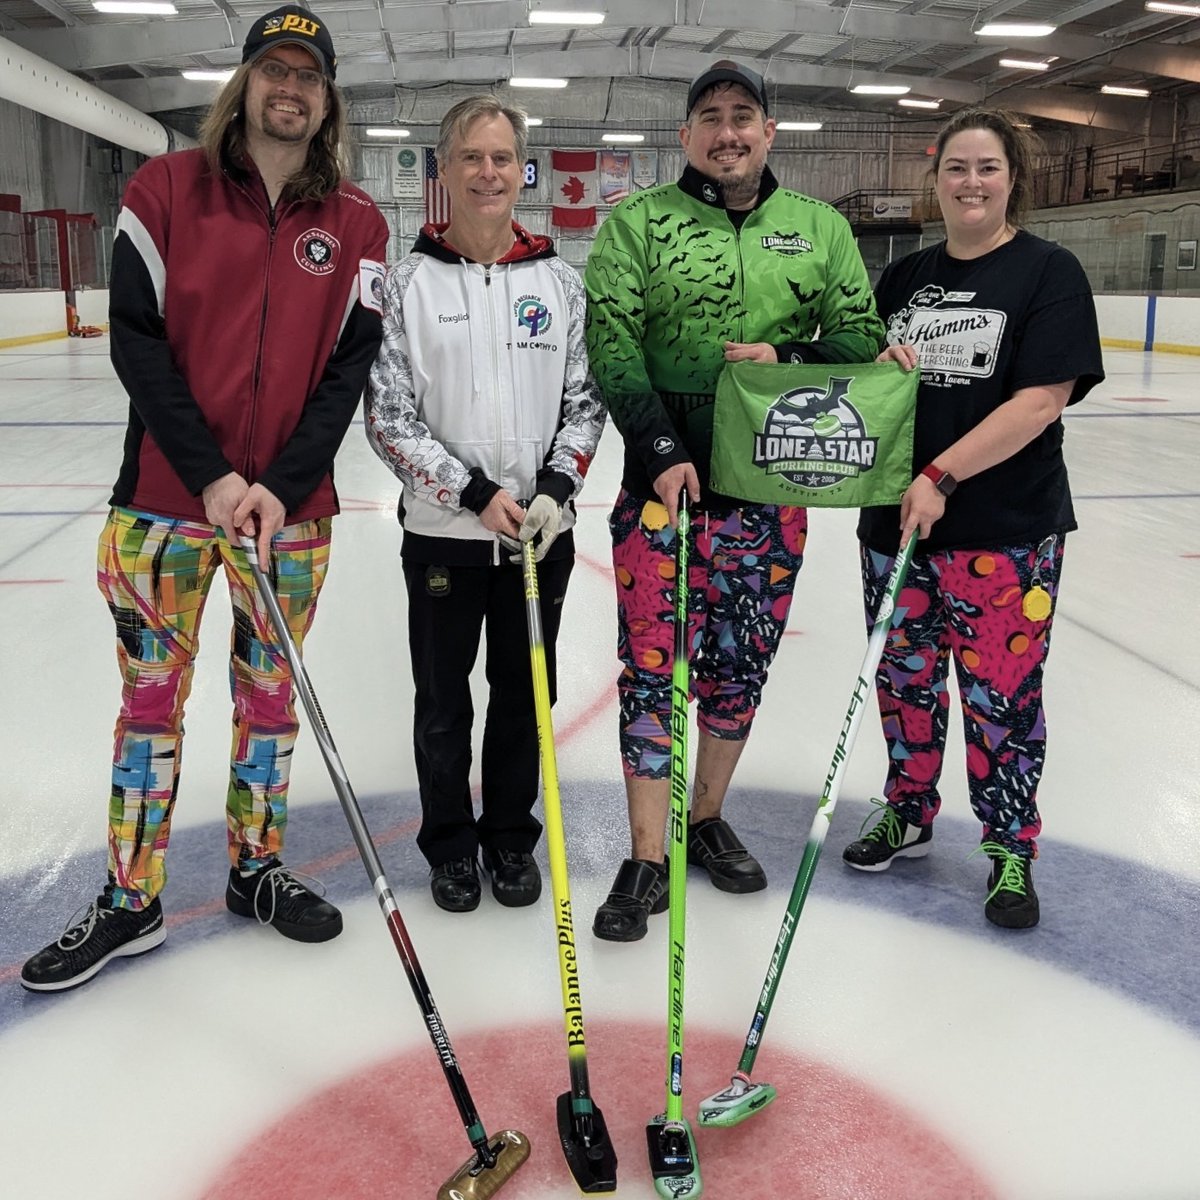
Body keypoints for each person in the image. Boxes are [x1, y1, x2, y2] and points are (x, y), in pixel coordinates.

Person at [20, 4, 389, 993]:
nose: (291, 89)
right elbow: (137, 342)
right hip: (160, 509)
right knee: (150, 711)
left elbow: (348, 372)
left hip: (292, 519)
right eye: (275, 69)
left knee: (270, 708)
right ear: (244, 83)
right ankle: (131, 900)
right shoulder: (164, 189)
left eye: (309, 77)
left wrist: (277, 485)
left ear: (327, 98)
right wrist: (216, 477)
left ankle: (256, 871)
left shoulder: (358, 224)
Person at [584, 60, 885, 941]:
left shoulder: (818, 228)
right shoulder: (638, 224)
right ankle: (647, 854)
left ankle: (704, 816)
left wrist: (787, 364)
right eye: (709, 117)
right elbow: (613, 345)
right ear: (685, 137)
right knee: (651, 668)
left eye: (742, 115)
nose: (727, 131)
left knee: (738, 666)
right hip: (662, 492)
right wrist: (662, 449)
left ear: (768, 132)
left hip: (768, 492)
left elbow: (862, 336)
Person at [842, 109, 1104, 929]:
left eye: (987, 167)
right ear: (937, 178)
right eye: (957, 167)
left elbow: (1040, 402)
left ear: (1012, 176)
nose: (971, 183)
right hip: (898, 529)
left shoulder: (1047, 272)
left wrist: (943, 474)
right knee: (906, 679)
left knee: (1003, 696)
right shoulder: (905, 277)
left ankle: (1009, 845)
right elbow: (862, 377)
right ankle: (910, 809)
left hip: (1004, 534)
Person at [364, 96, 605, 914]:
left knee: (522, 695)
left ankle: (508, 837)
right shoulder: (406, 284)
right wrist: (473, 494)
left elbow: (585, 401)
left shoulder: (560, 284)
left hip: (540, 538)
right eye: (472, 157)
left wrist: (557, 489)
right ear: (444, 168)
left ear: (523, 170)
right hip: (445, 537)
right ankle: (451, 845)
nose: (489, 172)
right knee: (443, 704)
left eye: (503, 158)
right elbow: (389, 419)